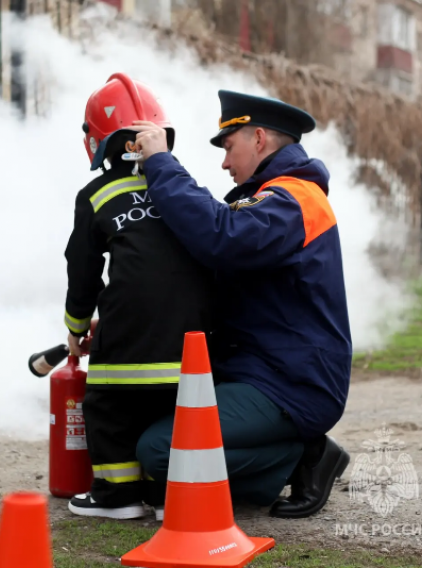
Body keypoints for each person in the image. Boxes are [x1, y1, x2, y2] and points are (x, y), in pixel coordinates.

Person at [129, 90, 352, 519]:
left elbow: (221, 238)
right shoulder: (266, 200)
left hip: (292, 384)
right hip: (264, 373)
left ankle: (302, 458)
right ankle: (297, 449)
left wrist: (161, 163)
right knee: (153, 434)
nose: (225, 163)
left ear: (260, 139)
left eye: (230, 147)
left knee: (160, 452)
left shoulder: (295, 199)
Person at [63, 73, 215, 520]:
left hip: (126, 339)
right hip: (191, 341)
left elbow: (83, 270)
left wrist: (76, 328)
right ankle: (171, 494)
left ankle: (118, 495)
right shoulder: (187, 191)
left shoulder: (96, 195)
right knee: (173, 414)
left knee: (108, 406)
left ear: (99, 142)